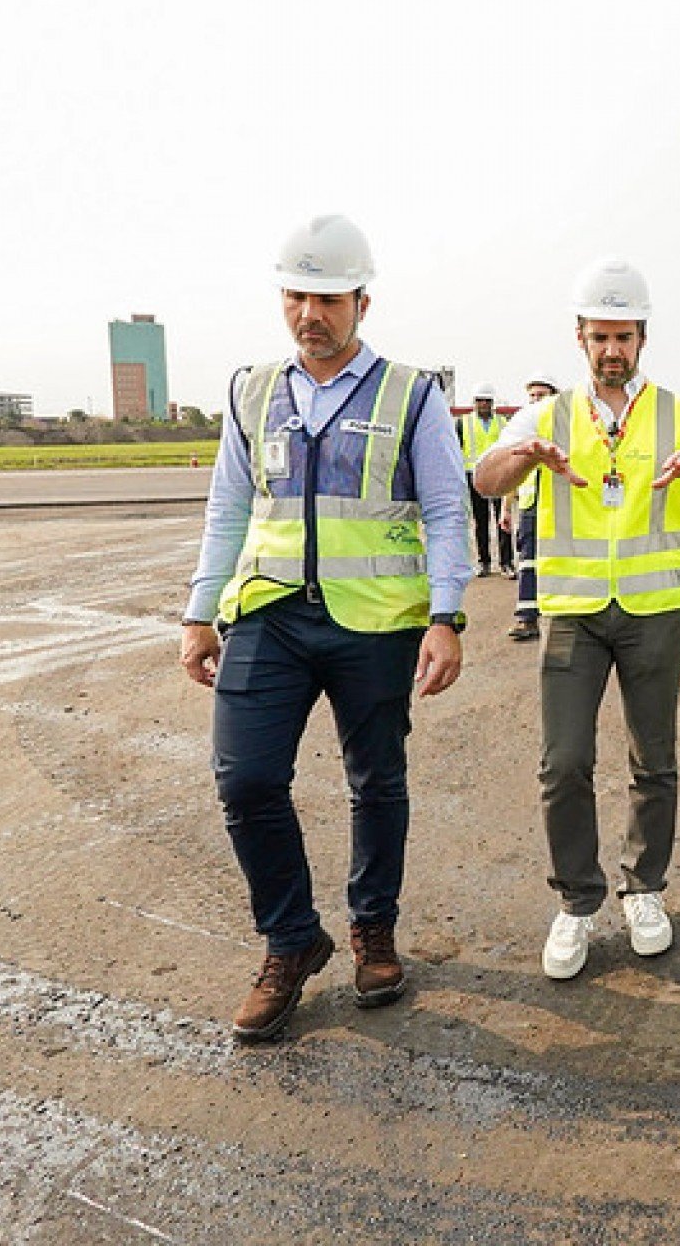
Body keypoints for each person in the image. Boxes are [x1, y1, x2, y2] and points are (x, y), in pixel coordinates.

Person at [178, 215, 470, 1042]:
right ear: (283, 298)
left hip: (375, 623)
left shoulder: (412, 394)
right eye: (298, 295)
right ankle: (291, 939)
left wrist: (445, 614)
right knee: (245, 779)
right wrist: (201, 612)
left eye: (330, 297)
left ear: (362, 303)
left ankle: (372, 930)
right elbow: (229, 505)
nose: (313, 312)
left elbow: (448, 509)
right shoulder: (251, 390)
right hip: (268, 613)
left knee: (376, 782)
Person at [472, 257, 680, 980]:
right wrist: (522, 457)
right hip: (574, 616)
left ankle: (644, 889)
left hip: (655, 611)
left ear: (643, 339)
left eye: (624, 337)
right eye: (600, 337)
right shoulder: (550, 412)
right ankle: (576, 902)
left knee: (653, 760)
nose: (612, 350)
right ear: (580, 338)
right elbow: (485, 477)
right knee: (564, 763)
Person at [501, 370, 558, 641]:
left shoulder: (565, 428)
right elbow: (511, 473)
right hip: (529, 505)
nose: (536, 400)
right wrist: (505, 508)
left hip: (559, 508)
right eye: (532, 395)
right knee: (527, 562)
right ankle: (527, 618)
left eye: (541, 395)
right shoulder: (521, 431)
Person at [456, 384, 515, 577]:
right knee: (480, 521)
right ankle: (484, 562)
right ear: (474, 403)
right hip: (474, 477)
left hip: (500, 475)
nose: (483, 404)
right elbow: (455, 452)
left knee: (503, 519)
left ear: (492, 403)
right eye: (480, 400)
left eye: (487, 401)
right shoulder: (463, 423)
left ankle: (506, 562)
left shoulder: (503, 423)